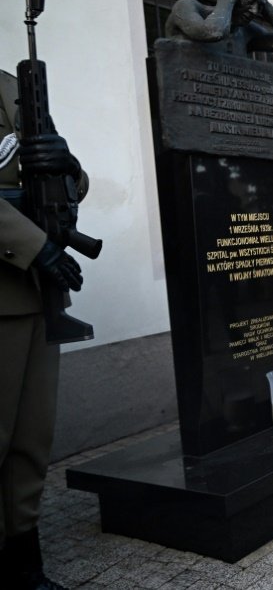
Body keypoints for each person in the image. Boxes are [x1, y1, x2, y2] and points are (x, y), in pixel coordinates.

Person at [1, 69, 87, 590]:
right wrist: (36, 246)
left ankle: (24, 564)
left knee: (31, 439)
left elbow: (66, 179)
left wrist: (68, 166)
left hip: (37, 292)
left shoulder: (16, 87)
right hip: (16, 272)